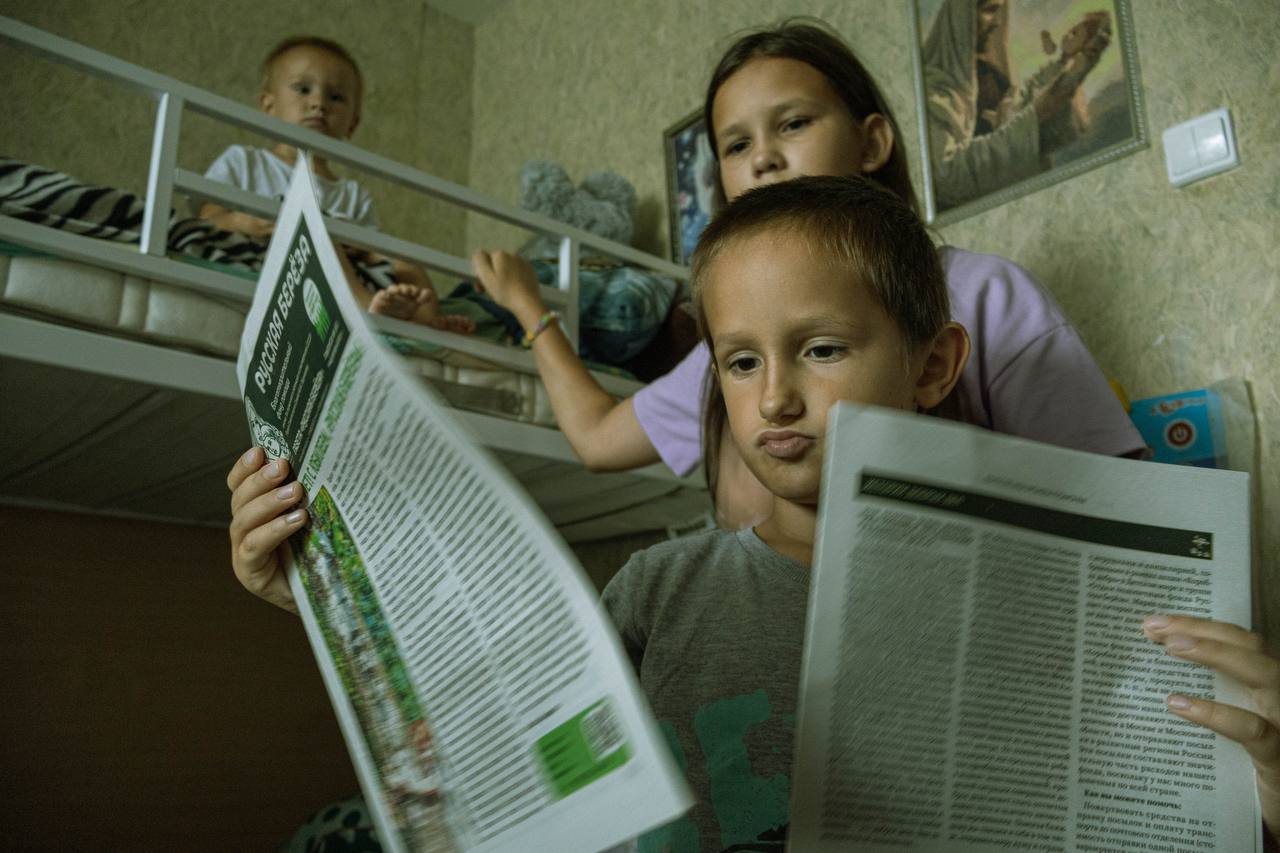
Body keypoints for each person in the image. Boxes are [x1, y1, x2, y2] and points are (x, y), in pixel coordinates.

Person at [228, 176, 1280, 851]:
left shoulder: (1043, 609)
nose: (773, 397)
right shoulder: (659, 588)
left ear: (932, 366)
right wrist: (320, 598)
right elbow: (482, 745)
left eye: (819, 349)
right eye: (739, 362)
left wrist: (1266, 788)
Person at [470, 18, 1144, 529]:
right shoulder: (732, 359)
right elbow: (596, 439)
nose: (762, 159)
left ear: (871, 142)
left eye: (792, 123)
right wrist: (531, 308)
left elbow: (1122, 504)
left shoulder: (985, 296)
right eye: (736, 144)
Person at [199, 36, 473, 334]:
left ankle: (426, 323)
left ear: (351, 124)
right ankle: (367, 313)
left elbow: (373, 253)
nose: (318, 103)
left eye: (336, 97)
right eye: (303, 89)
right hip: (270, 254)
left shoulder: (352, 194)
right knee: (316, 226)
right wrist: (245, 221)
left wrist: (364, 247)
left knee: (404, 257)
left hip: (345, 269)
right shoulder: (245, 161)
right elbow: (208, 217)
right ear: (268, 105)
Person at [922, 0, 1112, 209]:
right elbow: (948, 177)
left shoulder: (982, 77)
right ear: (960, 17)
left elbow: (1035, 113)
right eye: (990, 10)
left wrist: (1069, 80)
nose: (997, 22)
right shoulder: (936, 88)